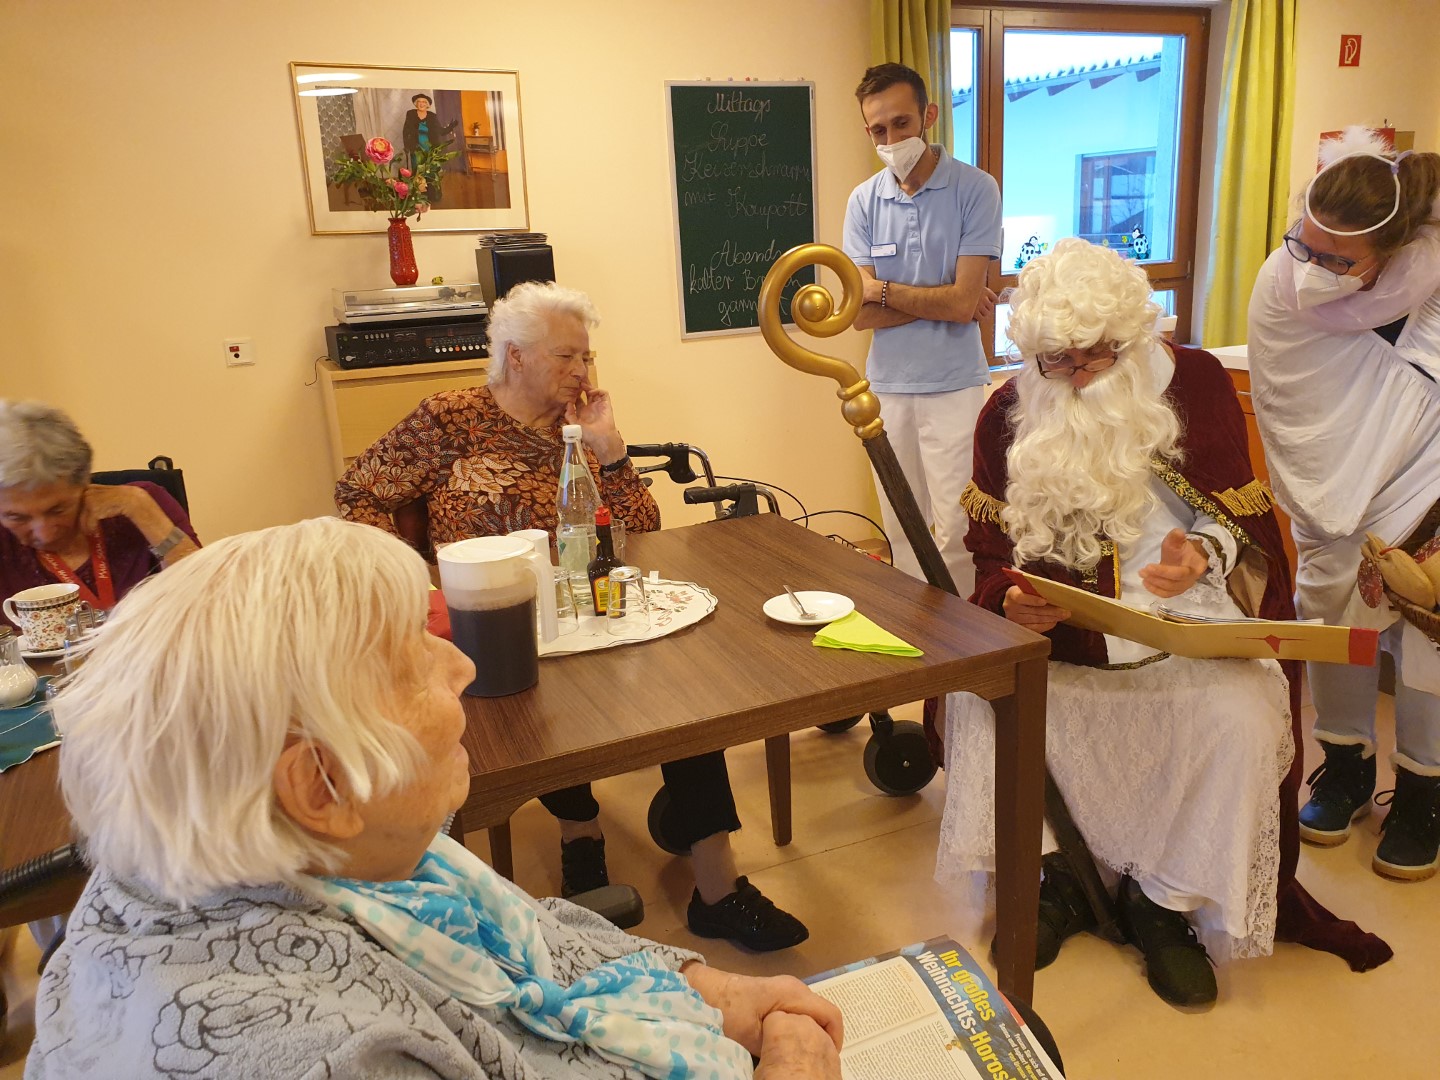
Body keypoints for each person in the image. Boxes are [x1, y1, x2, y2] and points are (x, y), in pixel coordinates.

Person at [25, 517, 844, 1078]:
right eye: (415, 662)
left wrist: (726, 990)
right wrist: (797, 1064)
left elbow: (544, 940)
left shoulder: (333, 854)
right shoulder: (321, 1057)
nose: (461, 668)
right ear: (322, 784)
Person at [936, 239, 1391, 1008]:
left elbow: (1250, 538)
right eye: (1056, 362)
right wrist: (1011, 604)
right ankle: (1060, 884)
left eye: (1096, 357)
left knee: (1243, 718)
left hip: (1185, 629)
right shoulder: (1008, 411)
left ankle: (1164, 904)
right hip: (1063, 647)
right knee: (980, 707)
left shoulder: (1199, 384)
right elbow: (986, 557)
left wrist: (1203, 556)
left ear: (1133, 339)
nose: (1076, 376)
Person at [336, 281, 809, 952]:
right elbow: (358, 490)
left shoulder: (579, 430)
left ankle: (718, 888)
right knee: (537, 692)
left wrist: (610, 450)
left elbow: (643, 533)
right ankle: (580, 833)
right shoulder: (450, 418)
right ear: (514, 356)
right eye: (567, 357)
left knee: (686, 687)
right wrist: (407, 577)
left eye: (587, 358)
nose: (584, 373)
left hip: (593, 604)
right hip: (492, 618)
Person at [1248, 129, 1440, 881]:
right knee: (1335, 623)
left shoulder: (1431, 285)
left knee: (1429, 635)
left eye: (1338, 260)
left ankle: (1424, 790)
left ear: (1392, 254)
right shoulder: (1282, 278)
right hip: (1329, 491)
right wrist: (1332, 489)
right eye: (1307, 244)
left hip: (1425, 480)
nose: (1315, 269)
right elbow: (1288, 399)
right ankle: (1347, 767)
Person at [841, 62, 1001, 592]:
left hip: (954, 384)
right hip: (885, 387)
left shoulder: (975, 189)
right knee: (901, 524)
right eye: (878, 130)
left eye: (902, 124)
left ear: (929, 116)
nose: (891, 139)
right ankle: (920, 635)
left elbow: (957, 306)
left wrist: (884, 291)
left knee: (958, 527)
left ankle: (969, 639)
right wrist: (949, 296)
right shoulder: (863, 201)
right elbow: (857, 314)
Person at [0, 400, 198, 627]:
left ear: (84, 482)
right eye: (16, 517)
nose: (44, 534)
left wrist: (141, 509)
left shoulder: (143, 502)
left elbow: (208, 597)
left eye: (58, 509)